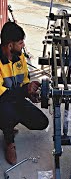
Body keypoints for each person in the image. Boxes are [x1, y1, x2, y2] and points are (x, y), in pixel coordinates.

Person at [0, 22, 49, 165]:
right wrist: (24, 91)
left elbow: (25, 81)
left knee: (41, 123)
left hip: (14, 100)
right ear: (10, 45)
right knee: (7, 110)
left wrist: (30, 92)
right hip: (1, 104)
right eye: (20, 43)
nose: (23, 46)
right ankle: (9, 142)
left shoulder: (19, 57)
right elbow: (3, 96)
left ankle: (8, 123)